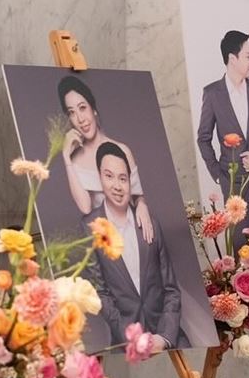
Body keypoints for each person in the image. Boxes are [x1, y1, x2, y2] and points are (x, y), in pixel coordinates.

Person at [81, 141, 186, 351]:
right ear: (99, 177)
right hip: (125, 341)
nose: (117, 186)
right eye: (109, 176)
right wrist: (131, 337)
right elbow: (100, 293)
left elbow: (172, 290)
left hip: (165, 333)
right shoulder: (89, 227)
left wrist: (164, 337)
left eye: (123, 178)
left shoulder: (149, 223)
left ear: (131, 182)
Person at [196, 30, 249, 246]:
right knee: (238, 253)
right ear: (232, 59)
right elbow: (203, 138)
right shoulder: (212, 94)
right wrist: (218, 174)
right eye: (248, 56)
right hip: (233, 188)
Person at [57, 76, 153, 243]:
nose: (80, 119)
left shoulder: (122, 150)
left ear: (93, 109)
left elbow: (137, 195)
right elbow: (85, 207)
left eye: (82, 108)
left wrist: (142, 205)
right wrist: (66, 157)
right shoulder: (75, 161)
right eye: (72, 112)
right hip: (105, 241)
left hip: (132, 232)